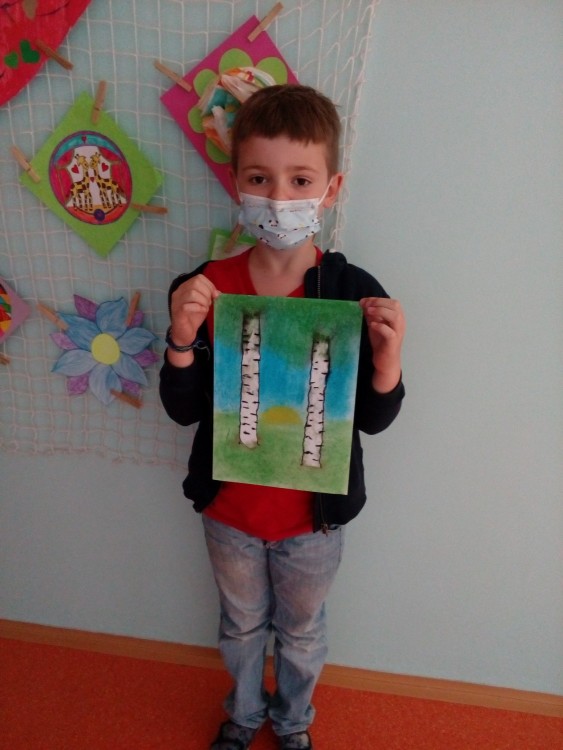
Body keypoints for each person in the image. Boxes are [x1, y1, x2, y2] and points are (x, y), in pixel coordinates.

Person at [159, 84, 406, 750]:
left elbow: (373, 420)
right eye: (259, 179)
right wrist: (180, 339)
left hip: (312, 521)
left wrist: (387, 359)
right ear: (235, 182)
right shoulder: (205, 286)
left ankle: (292, 723)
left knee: (300, 631)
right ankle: (243, 716)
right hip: (230, 511)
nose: (278, 198)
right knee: (240, 626)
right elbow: (181, 409)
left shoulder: (352, 292)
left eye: (300, 180)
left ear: (331, 189)